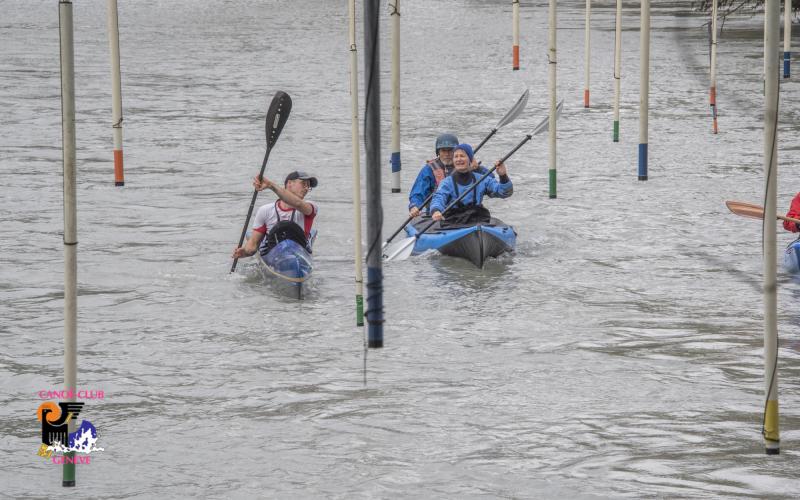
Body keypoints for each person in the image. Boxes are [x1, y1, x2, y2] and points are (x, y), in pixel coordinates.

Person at [232, 171, 319, 259]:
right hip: (273, 251)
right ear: (289, 183)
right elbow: (253, 244)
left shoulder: (311, 207)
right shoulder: (265, 210)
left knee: (287, 226)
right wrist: (246, 252)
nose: (307, 188)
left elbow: (297, 203)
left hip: (299, 250)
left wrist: (270, 185)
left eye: (308, 186)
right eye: (303, 184)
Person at [430, 143, 512, 225]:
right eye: (456, 157)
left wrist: (503, 176)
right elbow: (439, 197)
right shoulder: (447, 182)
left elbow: (504, 193)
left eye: (462, 156)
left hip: (477, 218)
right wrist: (436, 210)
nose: (459, 159)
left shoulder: (482, 179)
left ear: (470, 159)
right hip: (453, 220)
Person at [407, 133, 459, 218]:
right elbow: (418, 192)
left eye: (450, 150)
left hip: (461, 212)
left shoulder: (464, 166)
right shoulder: (428, 170)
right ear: (438, 152)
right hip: (435, 213)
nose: (447, 154)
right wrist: (414, 206)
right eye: (443, 150)